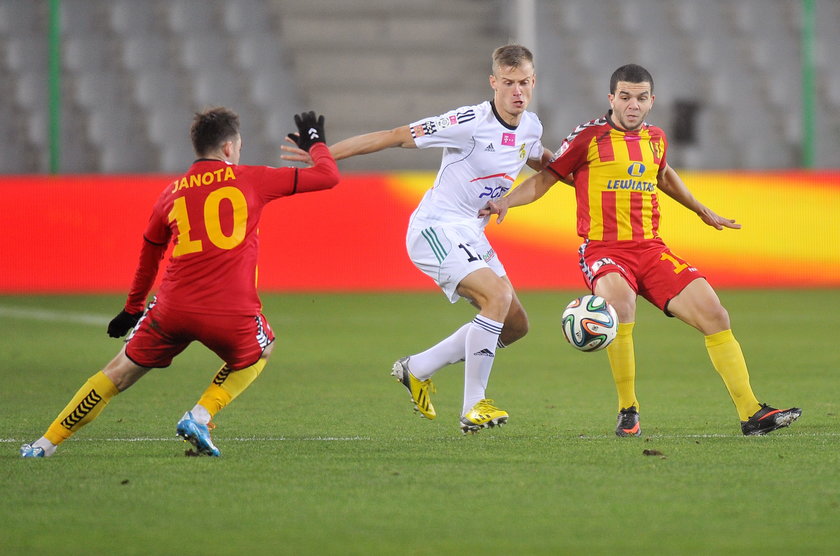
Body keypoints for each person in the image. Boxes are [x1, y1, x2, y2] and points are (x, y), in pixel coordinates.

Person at [480, 64, 801, 436]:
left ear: (652, 101)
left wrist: (701, 209)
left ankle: (751, 413)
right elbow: (546, 178)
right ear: (611, 98)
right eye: (626, 97)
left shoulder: (656, 139)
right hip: (604, 249)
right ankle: (628, 410)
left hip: (650, 249)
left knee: (715, 313)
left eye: (641, 98)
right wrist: (507, 201)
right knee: (620, 302)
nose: (633, 105)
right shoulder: (588, 137)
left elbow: (663, 174)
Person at [20, 107, 340, 458]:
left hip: (172, 308)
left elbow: (149, 255)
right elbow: (327, 176)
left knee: (117, 373)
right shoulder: (253, 178)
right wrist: (316, 144)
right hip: (230, 313)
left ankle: (43, 445)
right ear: (230, 148)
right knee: (262, 348)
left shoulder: (170, 193)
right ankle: (199, 416)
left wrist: (132, 309)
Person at [283, 44, 553, 434]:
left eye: (524, 83)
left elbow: (535, 154)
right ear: (493, 82)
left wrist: (571, 163)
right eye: (508, 83)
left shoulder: (531, 125)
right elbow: (395, 136)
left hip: (470, 232)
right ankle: (474, 405)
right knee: (496, 297)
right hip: (435, 228)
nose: (517, 92)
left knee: (514, 325)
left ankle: (418, 368)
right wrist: (325, 156)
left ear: (533, 82)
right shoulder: (468, 122)